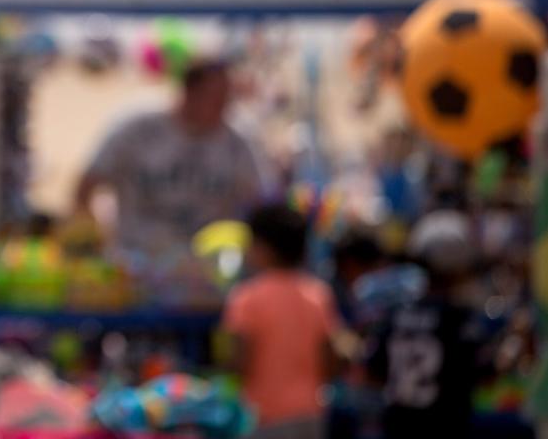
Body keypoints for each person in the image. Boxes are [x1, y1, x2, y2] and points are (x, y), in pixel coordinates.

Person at [75, 58, 271, 261]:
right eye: (216, 98)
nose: (224, 107)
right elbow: (86, 186)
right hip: (137, 261)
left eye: (227, 99)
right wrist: (92, 246)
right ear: (189, 92)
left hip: (206, 269)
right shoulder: (137, 129)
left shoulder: (238, 141)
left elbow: (262, 203)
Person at [223, 204, 341, 439]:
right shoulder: (318, 294)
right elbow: (330, 360)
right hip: (310, 415)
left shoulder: (247, 297)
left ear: (263, 247)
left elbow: (241, 361)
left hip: (264, 417)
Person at [367, 210, 485, 438]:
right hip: (444, 426)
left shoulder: (396, 313)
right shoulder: (458, 318)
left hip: (398, 427)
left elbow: (374, 370)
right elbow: (480, 372)